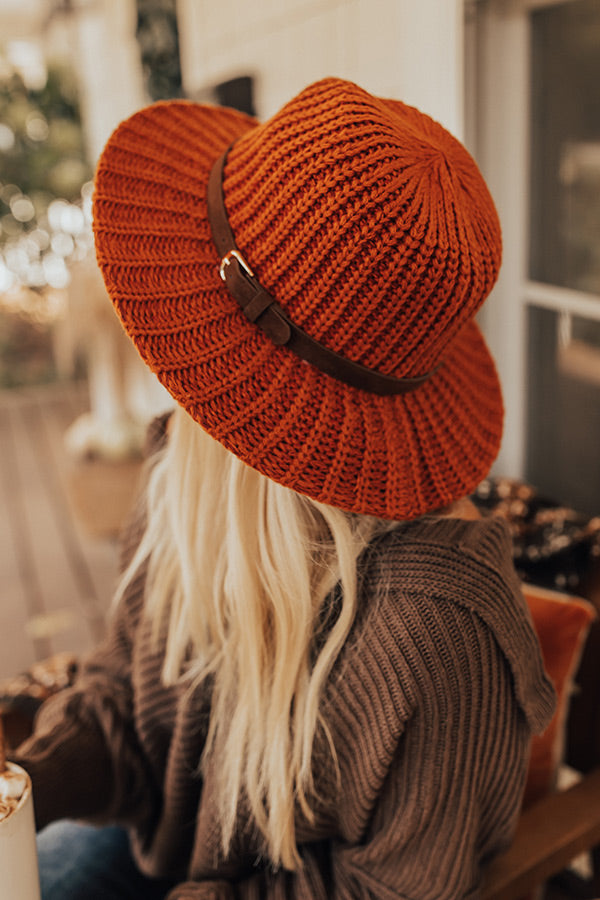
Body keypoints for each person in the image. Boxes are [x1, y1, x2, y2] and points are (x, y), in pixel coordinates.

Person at [12, 77, 555, 900]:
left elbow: (389, 891)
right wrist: (26, 787)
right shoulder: (187, 466)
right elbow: (128, 697)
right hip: (159, 850)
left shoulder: (440, 631)